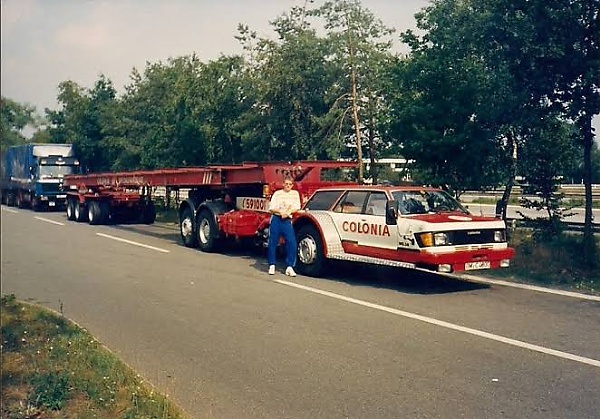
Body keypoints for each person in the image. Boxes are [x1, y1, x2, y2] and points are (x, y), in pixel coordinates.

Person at [267, 177, 301, 276]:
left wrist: (288, 212)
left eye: (290, 184)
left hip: (287, 220)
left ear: (292, 185)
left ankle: (290, 266)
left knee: (292, 242)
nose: (288, 186)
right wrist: (280, 212)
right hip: (277, 219)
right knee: (273, 242)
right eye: (286, 184)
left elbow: (297, 206)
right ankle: (272, 264)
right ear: (283, 184)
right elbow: (271, 208)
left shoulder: (295, 194)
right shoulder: (277, 194)